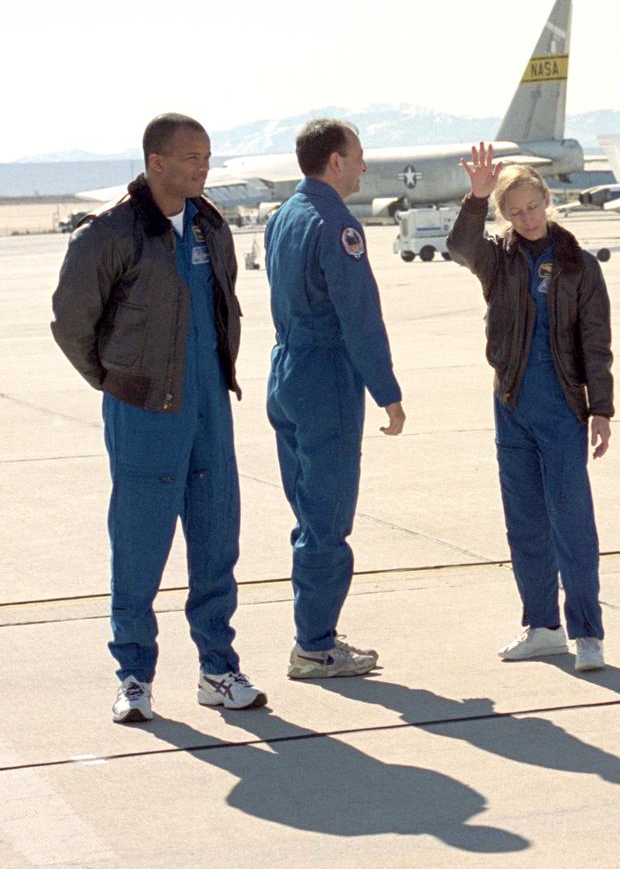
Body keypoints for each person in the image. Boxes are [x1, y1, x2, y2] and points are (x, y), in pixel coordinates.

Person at [51, 113, 265, 722]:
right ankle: (134, 677)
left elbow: (225, 308)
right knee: (140, 545)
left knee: (217, 536)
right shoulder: (110, 234)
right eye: (190, 157)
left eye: (207, 156)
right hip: (144, 411)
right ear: (157, 163)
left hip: (209, 408)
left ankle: (218, 669)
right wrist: (117, 383)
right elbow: (71, 324)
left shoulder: (211, 226)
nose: (202, 167)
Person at [447, 143, 614, 673]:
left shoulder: (579, 265)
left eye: (533, 207)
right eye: (514, 211)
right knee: (524, 522)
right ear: (504, 215)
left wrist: (601, 410)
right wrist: (476, 197)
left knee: (572, 521)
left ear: (548, 200)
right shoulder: (497, 260)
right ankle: (542, 626)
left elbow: (596, 342)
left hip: (563, 404)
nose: (527, 218)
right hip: (512, 401)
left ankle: (587, 632)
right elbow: (459, 246)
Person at [265, 119, 405, 678]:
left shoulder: (284, 217)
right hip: (325, 375)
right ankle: (315, 644)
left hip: (287, 370)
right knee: (327, 516)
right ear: (335, 161)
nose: (364, 166)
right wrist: (387, 391)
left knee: (307, 510)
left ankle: (314, 629)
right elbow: (359, 315)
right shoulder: (336, 223)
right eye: (359, 156)